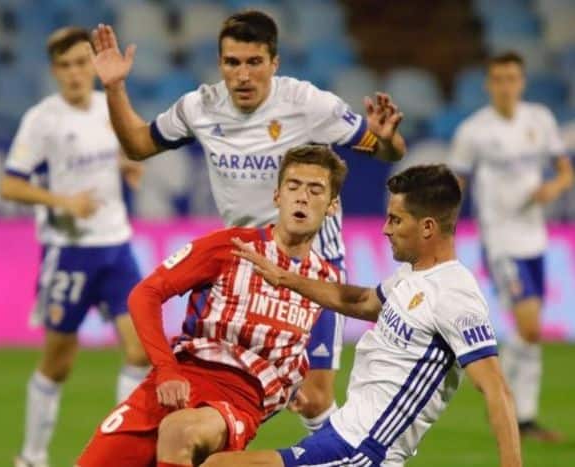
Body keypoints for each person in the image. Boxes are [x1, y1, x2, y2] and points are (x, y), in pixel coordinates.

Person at [89, 9, 406, 432]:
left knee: (313, 398)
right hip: (239, 271)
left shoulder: (307, 104)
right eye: (232, 63)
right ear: (220, 63)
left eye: (254, 62)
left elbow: (386, 150)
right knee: (217, 387)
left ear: (274, 63)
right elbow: (137, 144)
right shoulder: (200, 107)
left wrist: (386, 141)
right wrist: (114, 87)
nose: (242, 75)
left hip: (308, 265)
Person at [203, 164, 521, 467]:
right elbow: (364, 301)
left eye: (396, 220)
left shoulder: (455, 295)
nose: (385, 229)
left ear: (427, 227)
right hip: (342, 430)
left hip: (365, 451)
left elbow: (497, 389)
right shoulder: (413, 274)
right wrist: (286, 278)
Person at [76, 145, 348, 467]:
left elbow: (303, 360)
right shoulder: (231, 246)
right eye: (293, 186)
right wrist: (166, 369)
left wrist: (287, 389)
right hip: (177, 379)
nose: (302, 197)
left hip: (238, 397)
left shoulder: (325, 283)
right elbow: (145, 294)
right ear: (277, 196)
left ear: (331, 206)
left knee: (180, 432)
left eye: (315, 190)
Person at [0, 27, 149, 467]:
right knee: (58, 362)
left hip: (117, 247)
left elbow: (129, 150)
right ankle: (31, 456)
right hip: (69, 252)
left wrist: (127, 168)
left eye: (82, 63)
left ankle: (124, 452)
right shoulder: (42, 120)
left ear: (92, 64)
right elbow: (10, 184)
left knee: (139, 350)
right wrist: (64, 201)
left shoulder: (109, 108)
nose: (76, 73)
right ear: (55, 71)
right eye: (65, 66)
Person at [449, 51, 573, 441]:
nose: (506, 86)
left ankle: (523, 416)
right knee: (530, 327)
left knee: (529, 334)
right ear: (489, 84)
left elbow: (564, 170)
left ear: (522, 82)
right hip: (499, 240)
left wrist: (553, 187)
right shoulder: (474, 131)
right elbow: (457, 184)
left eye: (512, 79)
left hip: (535, 238)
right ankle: (493, 385)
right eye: (498, 79)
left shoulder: (540, 120)